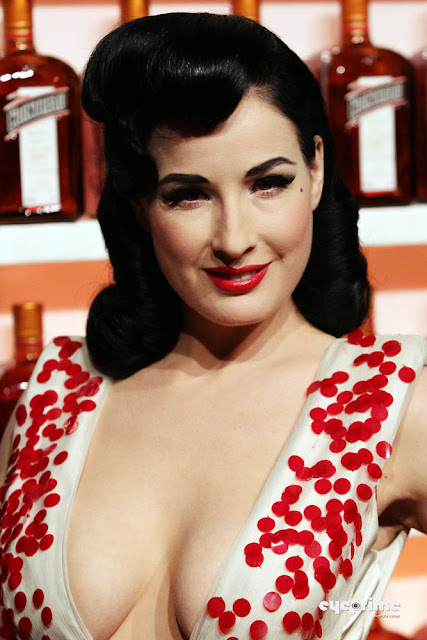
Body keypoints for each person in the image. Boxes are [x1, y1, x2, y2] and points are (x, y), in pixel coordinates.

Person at [0, 12, 425, 640]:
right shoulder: (53, 396)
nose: (233, 238)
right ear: (141, 206)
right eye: (187, 195)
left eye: (268, 184)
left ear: (314, 172)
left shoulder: (389, 400)